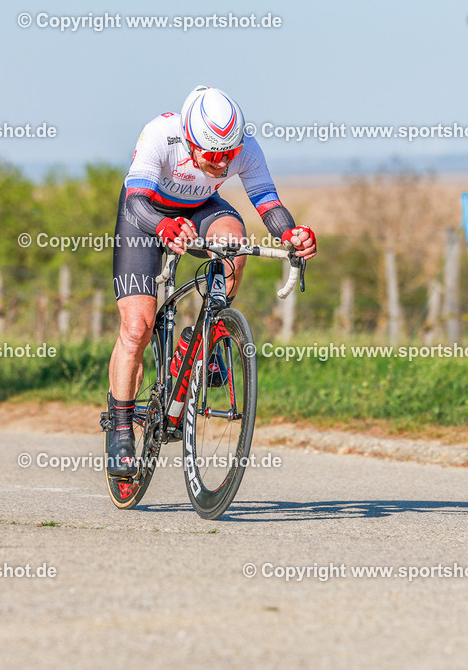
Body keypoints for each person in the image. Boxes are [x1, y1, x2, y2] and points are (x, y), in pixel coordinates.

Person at [106, 85, 316, 477]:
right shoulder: (161, 134)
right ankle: (120, 429)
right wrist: (163, 226)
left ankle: (207, 334)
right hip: (145, 217)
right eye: (212, 155)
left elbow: (267, 200)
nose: (221, 164)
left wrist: (290, 234)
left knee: (235, 244)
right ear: (189, 141)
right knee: (137, 328)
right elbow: (136, 202)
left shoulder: (244, 146)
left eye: (229, 155)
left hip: (200, 210)